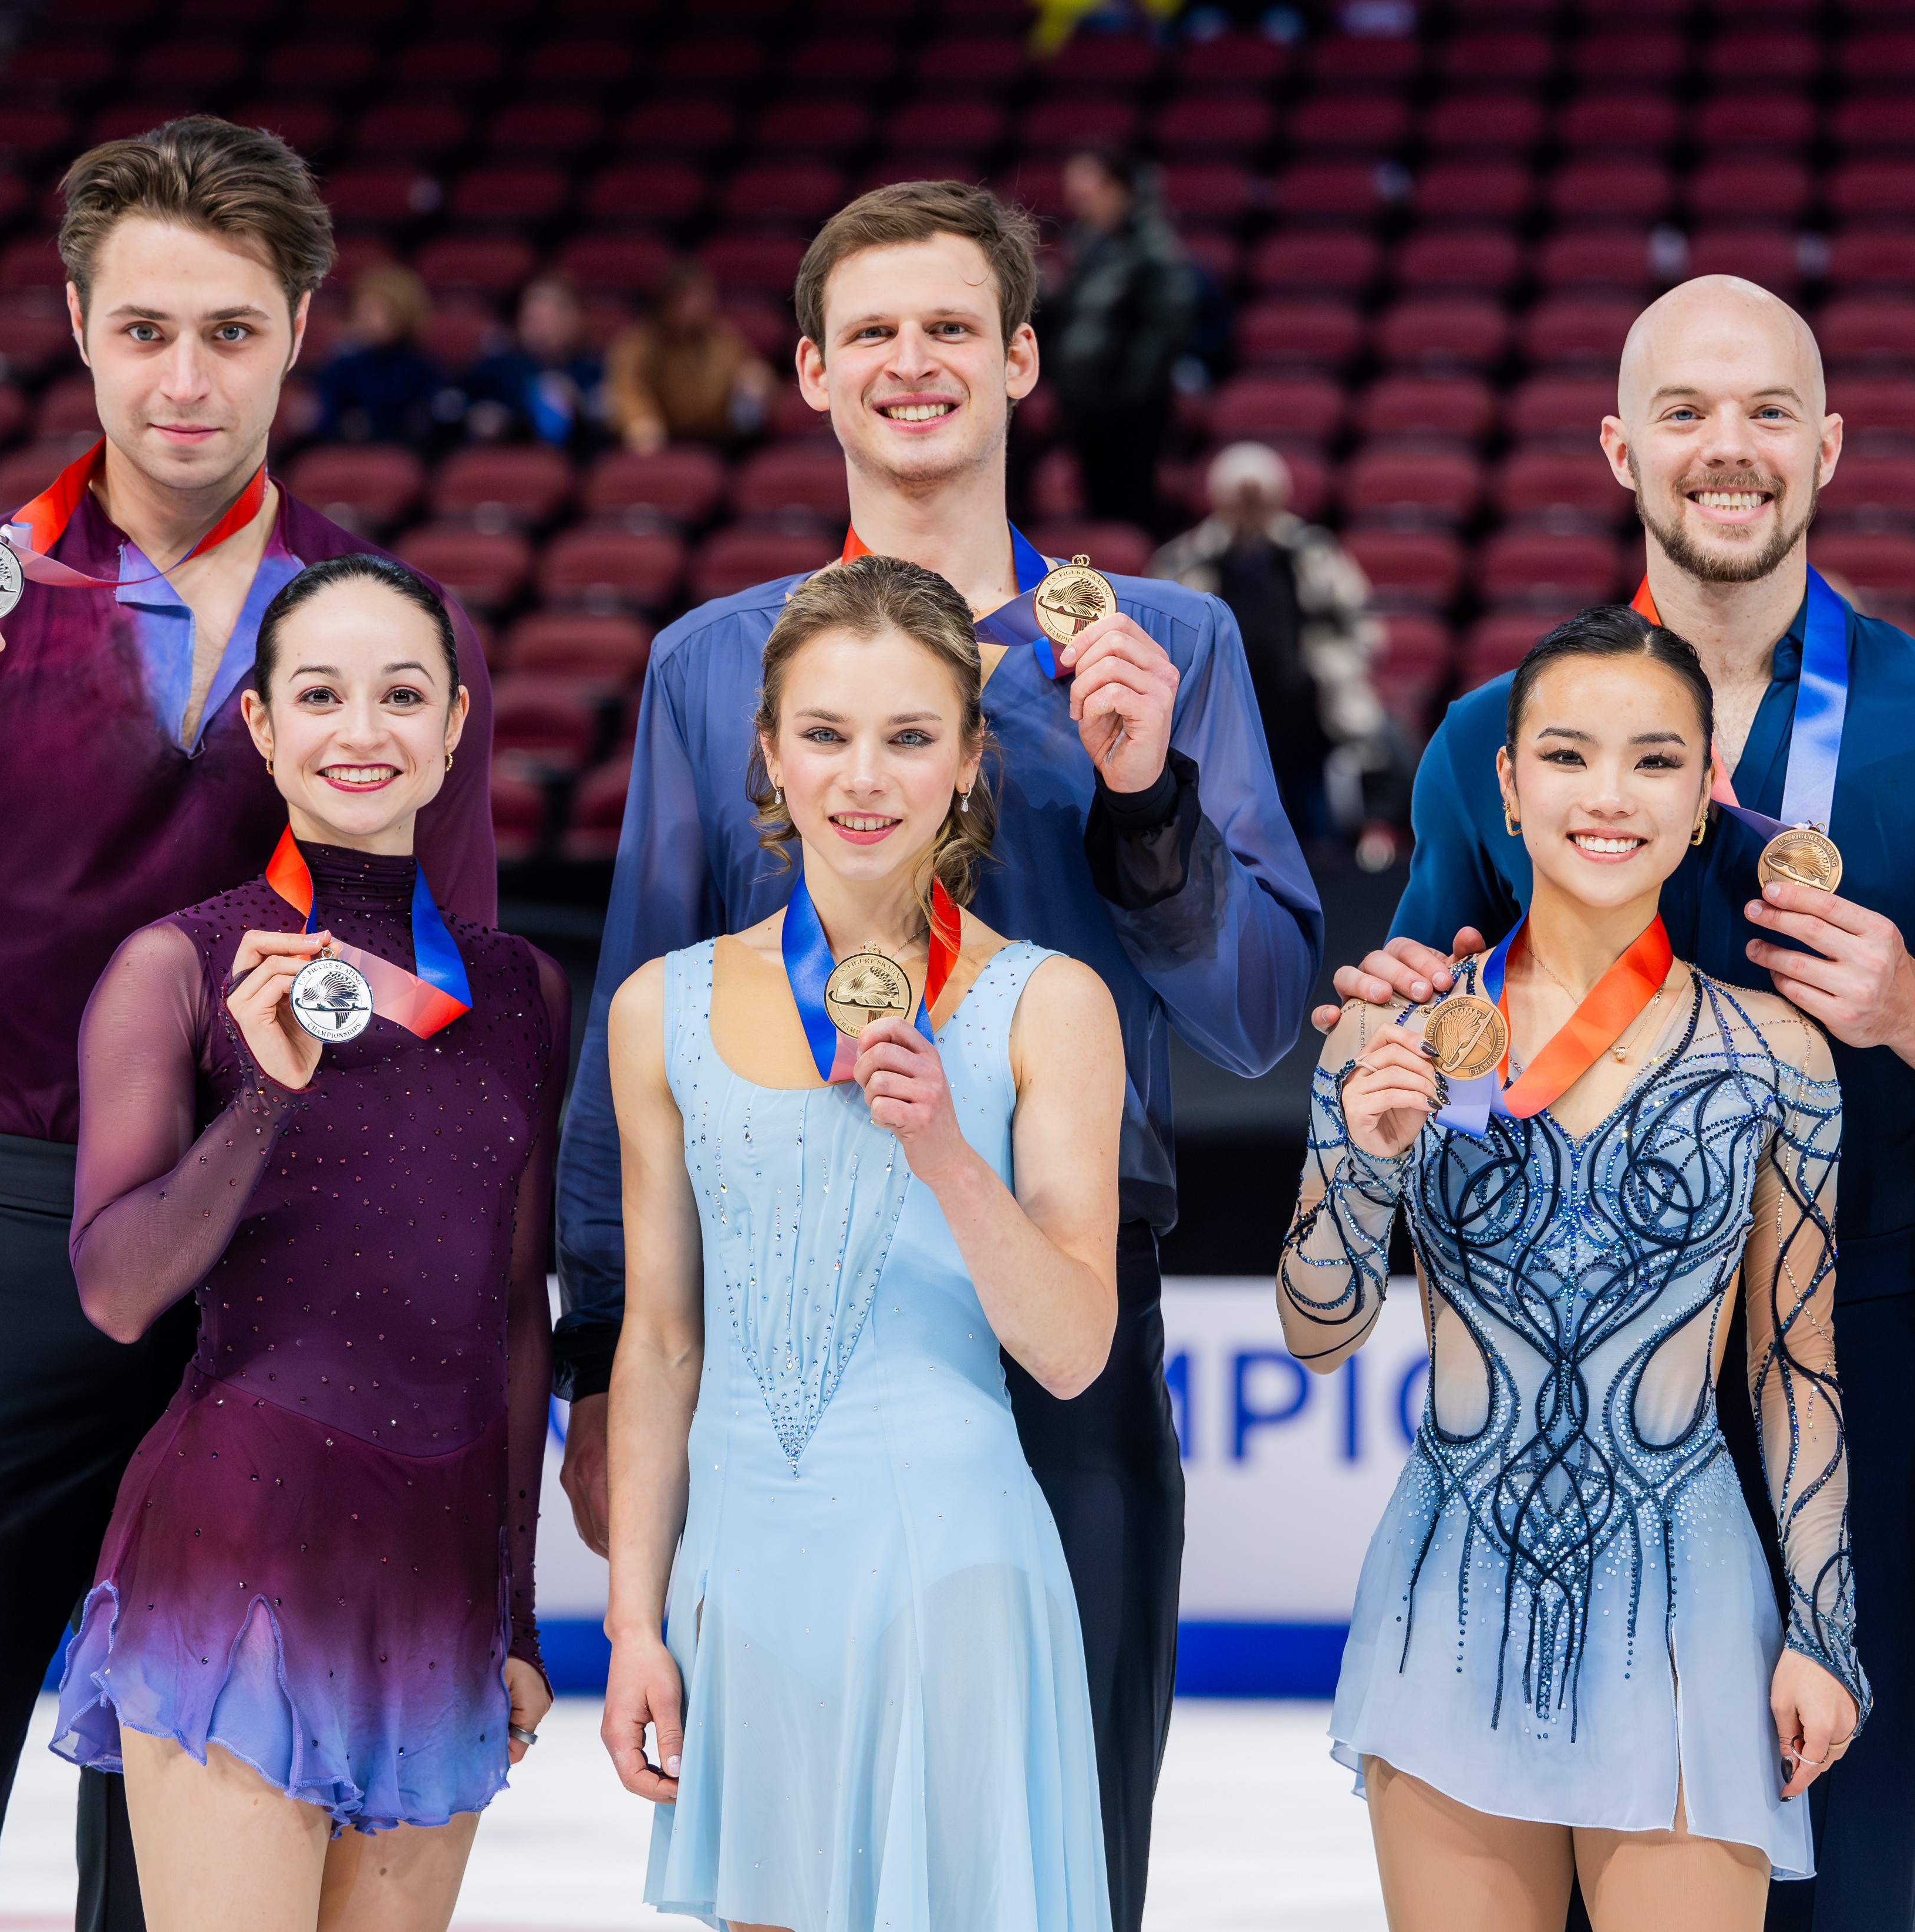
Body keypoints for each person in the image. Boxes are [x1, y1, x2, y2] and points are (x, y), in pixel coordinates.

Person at [554, 180, 1321, 1932]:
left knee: (1064, 1869)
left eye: (953, 326)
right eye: (874, 332)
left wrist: (1148, 796)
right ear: (813, 371)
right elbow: (643, 1023)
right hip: (787, 1339)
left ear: (1023, 358)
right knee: (789, 1869)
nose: (914, 363)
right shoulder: (712, 666)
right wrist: (597, 1361)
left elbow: (1260, 1009)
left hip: (1060, 1317)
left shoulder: (1165, 643)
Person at [0, 116, 498, 1932]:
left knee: (181, 1876)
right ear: (81, 321)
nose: (187, 375)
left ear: (303, 326)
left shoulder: (386, 634)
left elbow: (458, 1008)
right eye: (149, 326)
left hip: (270, 1277)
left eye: (231, 330)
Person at [1324, 275, 1915, 1932]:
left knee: (1843, 1893)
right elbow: (1429, 1022)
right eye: (1683, 411)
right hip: (1564, 1398)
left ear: (1827, 443)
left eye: (1764, 413)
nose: (1725, 450)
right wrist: (1388, 1053)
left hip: (1864, 1364)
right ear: (1621, 445)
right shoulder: (1490, 741)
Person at [1283, 605, 1863, 1928]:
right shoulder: (1394, 1028)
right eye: (1565, 755)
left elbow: (1794, 1369)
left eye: (1653, 760)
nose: (1608, 796)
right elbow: (1317, 1333)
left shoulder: (1777, 1056)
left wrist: (1821, 1631)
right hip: (1447, 1585)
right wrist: (1366, 1162)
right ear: (1505, 782)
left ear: (1704, 795)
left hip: (1689, 1604)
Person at [599, 555, 1122, 1932]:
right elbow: (658, 1339)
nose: (864, 776)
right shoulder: (661, 1009)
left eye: (908, 737)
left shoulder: (1045, 1006)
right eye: (826, 734)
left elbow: (1072, 1352)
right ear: (769, 753)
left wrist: (948, 1150)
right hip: (744, 1588)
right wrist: (634, 1621)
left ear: (965, 761)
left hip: (954, 1578)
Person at [50, 555, 558, 1929]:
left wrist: (512, 1610)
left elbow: (513, 1314)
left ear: (454, 726)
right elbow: (117, 1289)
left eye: (402, 694)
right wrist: (271, 1090)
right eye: (321, 695)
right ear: (265, 726)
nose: (362, 730)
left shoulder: (517, 994)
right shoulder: (180, 967)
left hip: (439, 1576)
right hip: (242, 1549)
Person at [1148, 440, 1404, 849]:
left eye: (1258, 497)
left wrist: (1336, 667)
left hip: (1304, 712)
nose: (1250, 508)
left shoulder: (1312, 553)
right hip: (1224, 715)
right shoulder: (1187, 560)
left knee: (1316, 824)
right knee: (1230, 833)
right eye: (1240, 497)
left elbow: (1362, 625)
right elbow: (1160, 634)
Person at [1044, 150, 1191, 533]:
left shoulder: (1151, 246)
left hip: (1129, 412)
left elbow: (1163, 331)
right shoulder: (1089, 244)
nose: (1078, 203)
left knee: (1128, 510)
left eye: (1087, 192)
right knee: (1098, 510)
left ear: (1119, 189)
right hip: (1088, 408)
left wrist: (1126, 397)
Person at [606, 263, 775, 453]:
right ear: (669, 301)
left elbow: (751, 370)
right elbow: (629, 393)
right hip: (662, 444)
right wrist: (640, 424)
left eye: (705, 295)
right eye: (693, 297)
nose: (704, 303)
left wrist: (756, 378)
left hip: (720, 442)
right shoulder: (638, 345)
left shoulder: (720, 336)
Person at [313, 262, 449, 452]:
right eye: (364, 310)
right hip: (348, 451)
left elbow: (428, 419)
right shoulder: (343, 366)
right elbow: (327, 419)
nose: (370, 319)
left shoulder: (422, 366)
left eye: (380, 311)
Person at [466, 273, 605, 453]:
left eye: (554, 313)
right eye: (532, 313)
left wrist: (582, 406)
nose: (540, 321)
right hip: (505, 460)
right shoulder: (495, 368)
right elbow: (454, 407)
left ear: (577, 318)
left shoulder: (594, 371)